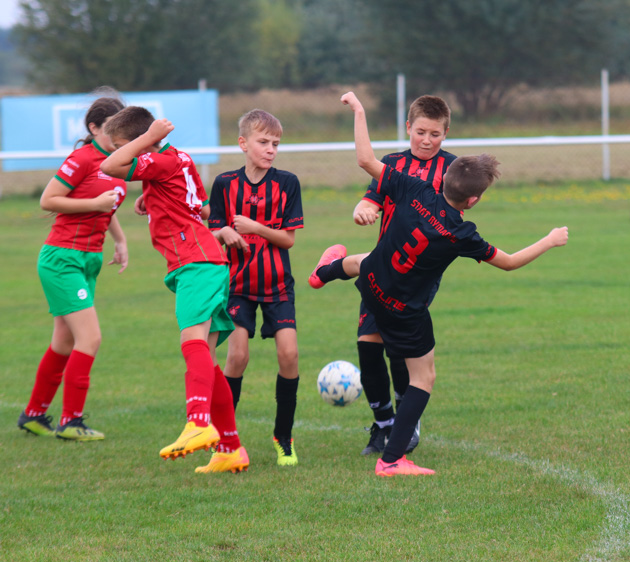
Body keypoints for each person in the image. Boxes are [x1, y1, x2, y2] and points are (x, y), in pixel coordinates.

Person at [309, 91, 569, 477]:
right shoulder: (463, 234)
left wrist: (360, 110)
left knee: (366, 260)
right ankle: (393, 458)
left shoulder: (414, 189)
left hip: (373, 284)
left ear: (443, 178)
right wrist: (549, 240)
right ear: (474, 200)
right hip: (403, 308)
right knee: (423, 378)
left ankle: (324, 273)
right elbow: (510, 263)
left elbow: (365, 159)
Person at [101, 106, 248, 474]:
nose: (125, 152)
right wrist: (151, 196)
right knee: (207, 360)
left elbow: (110, 167)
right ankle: (231, 448)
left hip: (195, 264)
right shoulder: (176, 159)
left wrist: (144, 140)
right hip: (205, 261)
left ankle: (198, 422)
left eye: (127, 145)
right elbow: (196, 204)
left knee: (191, 341)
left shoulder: (158, 157)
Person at [334, 95, 457, 457]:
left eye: (435, 134)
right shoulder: (393, 164)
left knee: (398, 352)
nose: (426, 140)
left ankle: (407, 415)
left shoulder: (452, 171)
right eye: (420, 131)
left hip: (418, 279)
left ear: (446, 133)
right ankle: (384, 424)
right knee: (368, 347)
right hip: (382, 270)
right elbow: (373, 198)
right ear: (408, 128)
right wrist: (363, 208)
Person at [17, 93, 128, 442]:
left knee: (64, 342)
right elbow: (48, 199)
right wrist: (94, 202)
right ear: (94, 128)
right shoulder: (81, 158)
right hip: (63, 258)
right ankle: (71, 422)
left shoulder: (117, 160)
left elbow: (107, 205)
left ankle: (34, 415)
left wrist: (120, 239)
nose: (120, 138)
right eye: (113, 130)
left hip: (88, 259)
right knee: (90, 338)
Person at [207, 109, 304, 467]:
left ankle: (284, 437)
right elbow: (214, 226)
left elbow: (288, 240)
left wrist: (254, 227)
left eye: (275, 143)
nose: (271, 149)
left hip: (278, 284)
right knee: (237, 357)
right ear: (243, 144)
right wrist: (224, 232)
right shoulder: (224, 184)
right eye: (263, 142)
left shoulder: (287, 183)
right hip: (238, 286)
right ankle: (225, 440)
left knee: (289, 356)